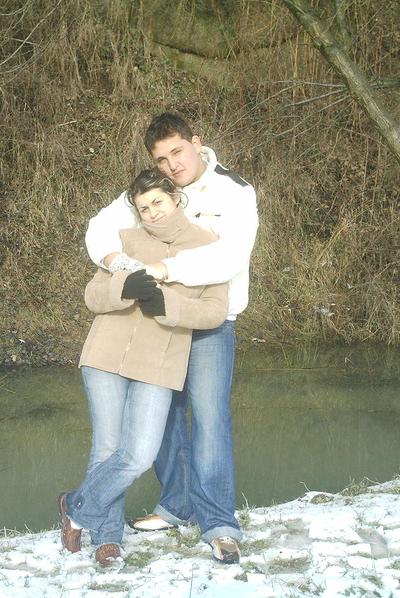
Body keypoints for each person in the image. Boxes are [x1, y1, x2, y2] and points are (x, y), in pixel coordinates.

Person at [84, 113, 258, 563]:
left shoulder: (234, 191)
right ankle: (176, 506)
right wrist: (120, 265)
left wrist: (161, 270)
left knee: (211, 422)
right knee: (163, 422)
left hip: (210, 323)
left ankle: (218, 523)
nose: (172, 164)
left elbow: (228, 258)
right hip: (157, 325)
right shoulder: (152, 189)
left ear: (196, 143)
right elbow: (99, 229)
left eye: (177, 152)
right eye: (161, 159)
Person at [58, 169, 229, 566]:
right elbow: (93, 296)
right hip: (106, 356)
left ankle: (76, 508)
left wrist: (170, 306)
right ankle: (108, 539)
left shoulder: (208, 246)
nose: (152, 213)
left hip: (160, 364)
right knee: (107, 449)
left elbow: (215, 311)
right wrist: (123, 288)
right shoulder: (126, 241)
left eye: (158, 202)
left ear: (176, 198)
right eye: (144, 208)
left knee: (138, 455)